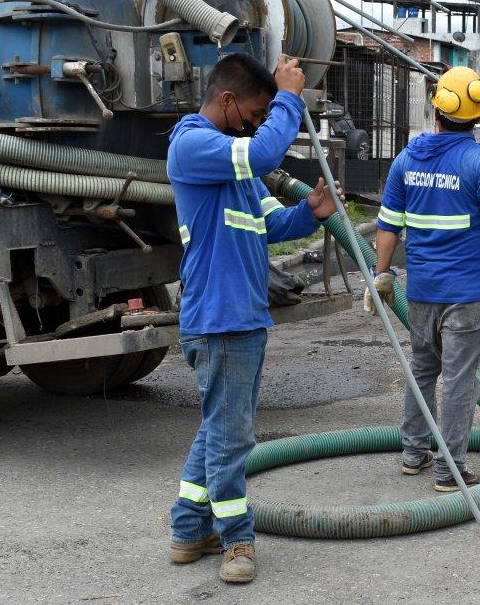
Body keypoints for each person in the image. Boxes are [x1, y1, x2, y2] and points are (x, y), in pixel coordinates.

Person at [166, 53, 344, 584]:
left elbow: (270, 226)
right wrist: (290, 96)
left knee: (219, 428)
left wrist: (309, 213)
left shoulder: (237, 171)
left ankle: (187, 529)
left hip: (240, 317)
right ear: (226, 101)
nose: (259, 121)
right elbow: (266, 148)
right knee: (233, 436)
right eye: (256, 110)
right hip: (219, 319)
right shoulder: (194, 145)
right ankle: (236, 540)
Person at [369, 66, 480, 492]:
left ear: (436, 108)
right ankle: (450, 472)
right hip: (467, 296)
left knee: (422, 369)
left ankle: (414, 453)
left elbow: (387, 226)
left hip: (422, 293)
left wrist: (382, 274)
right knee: (459, 382)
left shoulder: (407, 159)